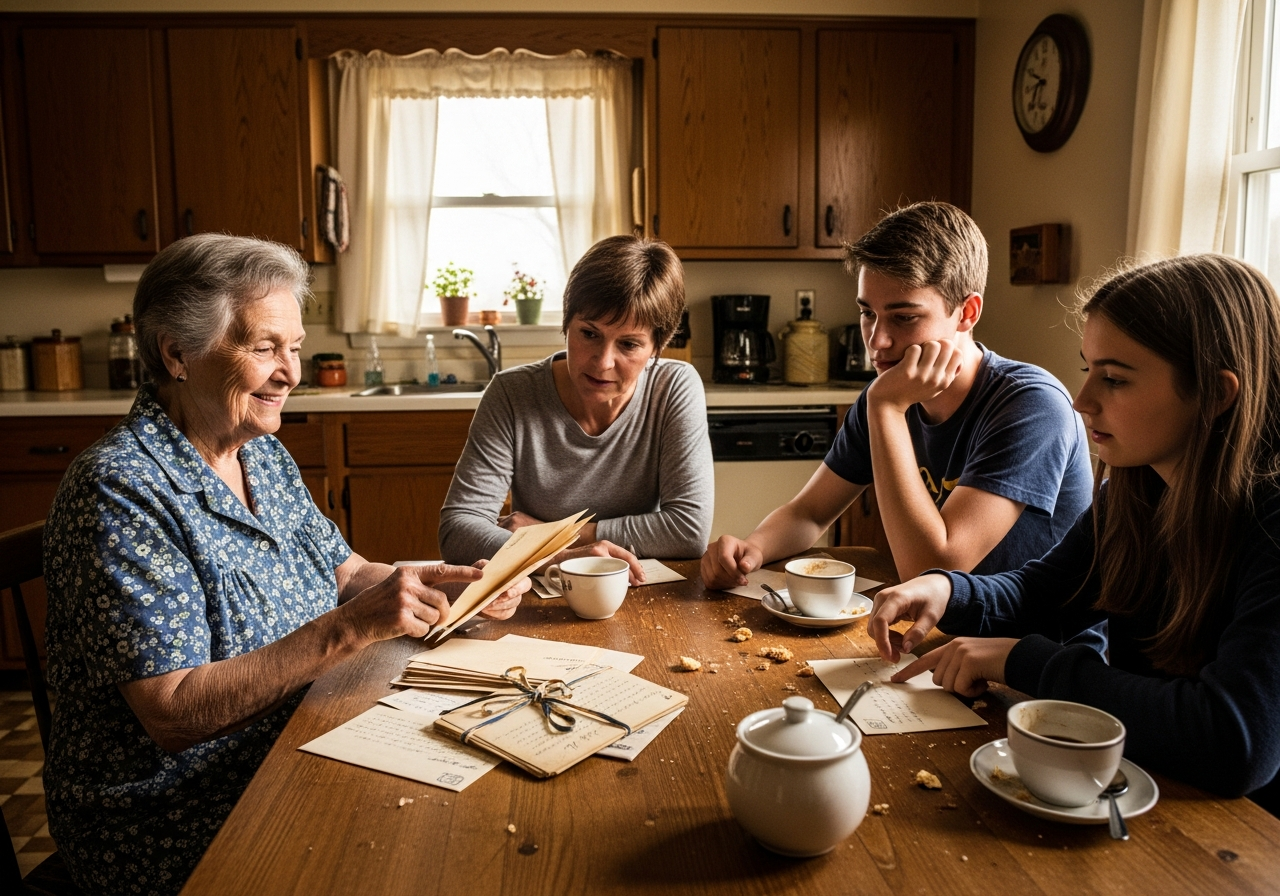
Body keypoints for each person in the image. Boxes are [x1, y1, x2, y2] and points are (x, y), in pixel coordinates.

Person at [41, 234, 530, 896]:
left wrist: (460, 583)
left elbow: (346, 572)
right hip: (183, 815)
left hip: (296, 742)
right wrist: (349, 629)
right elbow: (175, 712)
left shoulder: (260, 454)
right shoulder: (120, 489)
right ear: (177, 353)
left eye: (294, 347)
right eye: (265, 347)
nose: (291, 372)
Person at [868, 254, 1280, 810]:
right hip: (1142, 790)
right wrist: (947, 589)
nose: (1083, 402)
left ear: (1216, 392)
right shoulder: (1138, 493)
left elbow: (1237, 741)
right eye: (1088, 371)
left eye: (1114, 378)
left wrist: (1022, 662)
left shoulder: (1271, 521)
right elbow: (1044, 594)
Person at [701, 201, 1093, 589]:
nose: (877, 340)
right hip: (943, 631)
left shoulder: (1031, 406)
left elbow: (936, 568)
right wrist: (752, 548)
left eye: (904, 317)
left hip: (1034, 647)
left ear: (967, 312)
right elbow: (809, 513)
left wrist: (886, 409)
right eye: (868, 312)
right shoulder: (886, 395)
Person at [439, 234, 713, 580]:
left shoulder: (674, 387)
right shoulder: (511, 394)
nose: (602, 362)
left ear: (657, 347)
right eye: (589, 334)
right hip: (536, 598)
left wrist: (553, 534)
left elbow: (688, 530)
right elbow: (457, 530)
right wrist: (563, 556)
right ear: (566, 323)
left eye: (628, 344)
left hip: (645, 592)